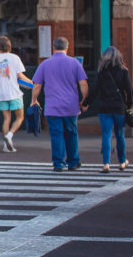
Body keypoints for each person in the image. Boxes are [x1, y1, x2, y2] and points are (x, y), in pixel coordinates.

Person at [30, 37, 89, 172]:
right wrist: (84, 101)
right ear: (67, 47)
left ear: (53, 47)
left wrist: (34, 100)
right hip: (71, 106)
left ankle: (58, 163)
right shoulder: (74, 63)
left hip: (53, 106)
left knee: (56, 134)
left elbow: (37, 85)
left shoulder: (45, 64)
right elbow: (83, 83)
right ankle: (73, 162)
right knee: (72, 133)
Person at [81, 46, 133, 172]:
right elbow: (129, 90)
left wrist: (85, 102)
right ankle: (122, 162)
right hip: (119, 107)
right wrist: (128, 105)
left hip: (104, 108)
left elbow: (94, 91)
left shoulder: (101, 72)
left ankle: (106, 163)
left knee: (106, 135)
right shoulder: (123, 71)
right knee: (120, 135)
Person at [0, 36, 31, 152]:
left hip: (1, 94)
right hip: (14, 92)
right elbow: (20, 76)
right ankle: (10, 135)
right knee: (20, 117)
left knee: (6, 118)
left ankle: (5, 146)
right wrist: (31, 82)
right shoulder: (15, 58)